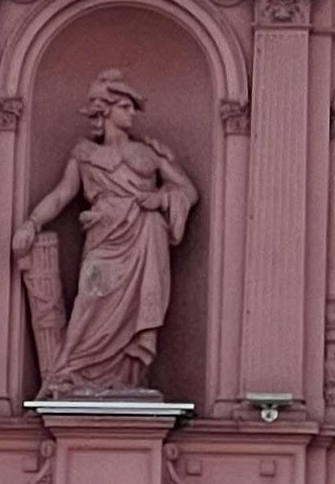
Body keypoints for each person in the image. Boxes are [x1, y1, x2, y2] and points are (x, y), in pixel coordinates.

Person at [14, 68, 198, 398]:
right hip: (104, 240)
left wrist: (159, 198)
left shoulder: (149, 154)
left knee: (136, 315)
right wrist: (32, 224)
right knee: (91, 302)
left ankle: (127, 382)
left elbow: (187, 190)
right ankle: (71, 373)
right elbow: (61, 195)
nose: (132, 113)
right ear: (107, 110)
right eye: (125, 106)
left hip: (144, 239)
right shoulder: (84, 154)